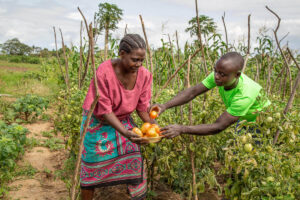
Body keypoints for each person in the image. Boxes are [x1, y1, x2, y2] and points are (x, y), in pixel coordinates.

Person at [80, 34, 153, 200]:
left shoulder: (145, 75)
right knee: (91, 169)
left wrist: (155, 127)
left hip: (123, 120)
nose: (139, 65)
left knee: (134, 160)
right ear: (121, 54)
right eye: (135, 59)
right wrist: (126, 133)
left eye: (142, 60)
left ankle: (135, 197)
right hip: (97, 122)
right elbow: (105, 110)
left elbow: (142, 108)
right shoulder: (104, 71)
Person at [150, 52, 270, 138]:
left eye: (222, 74)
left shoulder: (245, 94)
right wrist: (164, 106)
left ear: (237, 75)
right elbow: (193, 92)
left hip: (260, 122)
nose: (216, 76)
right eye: (215, 71)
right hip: (243, 119)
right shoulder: (220, 76)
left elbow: (219, 126)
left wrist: (182, 129)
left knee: (250, 160)